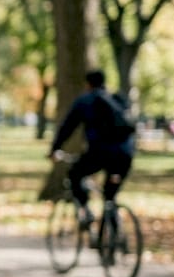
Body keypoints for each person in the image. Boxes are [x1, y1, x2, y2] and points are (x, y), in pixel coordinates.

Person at [48, 69, 135, 227]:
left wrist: (54, 149)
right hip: (125, 154)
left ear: (87, 84)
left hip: (100, 153)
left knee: (75, 173)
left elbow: (67, 127)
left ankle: (85, 211)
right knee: (110, 196)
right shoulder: (118, 98)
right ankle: (115, 238)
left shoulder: (85, 101)